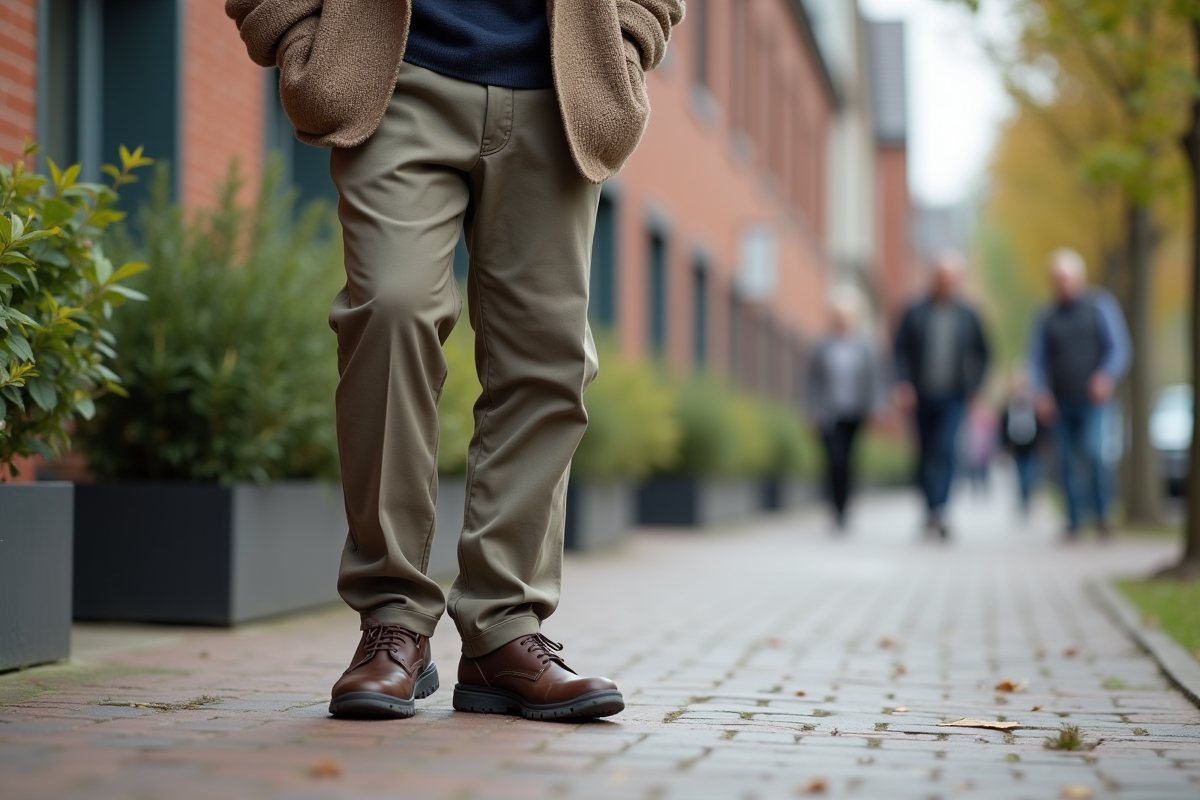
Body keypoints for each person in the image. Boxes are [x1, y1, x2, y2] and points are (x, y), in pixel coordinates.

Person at [226, 0, 684, 722]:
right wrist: (295, 34)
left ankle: (504, 628)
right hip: (395, 72)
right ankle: (393, 620)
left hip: (559, 83)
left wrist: (626, 40)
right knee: (390, 312)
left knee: (549, 355)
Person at [1028, 248, 1131, 539]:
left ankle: (1102, 515)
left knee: (1094, 452)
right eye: (1057, 279)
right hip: (1059, 401)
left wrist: (1106, 375)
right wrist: (1040, 393)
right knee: (1065, 460)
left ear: (1079, 278)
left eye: (1067, 278)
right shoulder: (1046, 316)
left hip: (1093, 399)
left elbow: (1119, 349)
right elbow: (1035, 360)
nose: (1063, 284)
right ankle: (1073, 520)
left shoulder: (1100, 306)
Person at [892, 253, 990, 540]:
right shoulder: (914, 312)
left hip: (954, 396)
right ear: (933, 279)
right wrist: (903, 384)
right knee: (924, 452)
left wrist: (975, 386)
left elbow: (984, 353)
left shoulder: (968, 315)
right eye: (942, 278)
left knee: (945, 449)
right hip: (920, 395)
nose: (946, 283)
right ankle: (929, 508)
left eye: (951, 279)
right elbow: (899, 351)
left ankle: (941, 510)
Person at [803, 287, 885, 531]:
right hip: (828, 413)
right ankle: (835, 507)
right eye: (839, 316)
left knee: (848, 461)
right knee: (833, 460)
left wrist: (875, 408)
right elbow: (811, 382)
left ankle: (845, 508)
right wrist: (811, 411)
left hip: (854, 413)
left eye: (847, 316)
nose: (842, 320)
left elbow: (872, 379)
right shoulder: (822, 346)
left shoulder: (864, 346)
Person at [1000, 370, 1044, 517]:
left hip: (1031, 443)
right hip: (1016, 443)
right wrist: (1004, 446)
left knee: (1030, 471)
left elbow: (1040, 425)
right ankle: (1023, 496)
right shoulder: (1010, 405)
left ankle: (1027, 495)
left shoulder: (1033, 403)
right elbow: (1004, 426)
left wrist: (1042, 441)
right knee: (1020, 471)